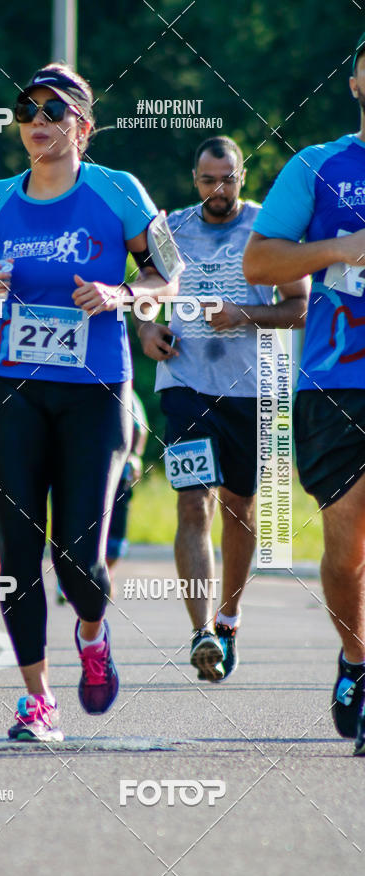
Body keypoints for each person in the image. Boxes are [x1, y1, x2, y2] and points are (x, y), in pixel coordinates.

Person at [0, 63, 170, 741]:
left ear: (83, 125)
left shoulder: (119, 190)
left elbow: (170, 274)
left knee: (80, 558)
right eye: (27, 110)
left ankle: (92, 631)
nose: (37, 121)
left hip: (95, 392)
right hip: (12, 390)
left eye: (53, 110)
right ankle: (37, 699)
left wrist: (121, 294)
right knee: (17, 553)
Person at [137, 135, 309, 681]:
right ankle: (201, 634)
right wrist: (146, 329)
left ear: (242, 176)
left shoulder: (267, 230)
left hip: (254, 389)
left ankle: (228, 619)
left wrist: (243, 315)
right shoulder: (171, 231)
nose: (219, 189)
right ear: (195, 180)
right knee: (194, 503)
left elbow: (300, 307)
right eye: (209, 180)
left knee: (240, 508)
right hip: (185, 383)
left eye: (228, 178)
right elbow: (143, 294)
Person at [243, 33, 365, 751]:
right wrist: (338, 249)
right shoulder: (317, 166)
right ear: (354, 81)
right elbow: (260, 263)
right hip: (335, 382)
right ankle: (356, 658)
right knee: (346, 546)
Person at [55, 388, 148, 604]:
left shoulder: (124, 392)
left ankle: (104, 575)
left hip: (117, 474)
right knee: (76, 526)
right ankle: (69, 580)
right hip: (81, 473)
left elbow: (140, 428)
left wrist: (135, 456)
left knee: (114, 534)